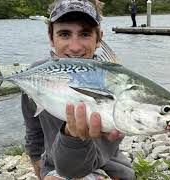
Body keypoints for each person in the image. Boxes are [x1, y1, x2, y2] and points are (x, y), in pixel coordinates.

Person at [22, 0, 135, 179]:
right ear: (51, 38)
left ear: (99, 38)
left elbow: (88, 164)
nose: (75, 47)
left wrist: (72, 138)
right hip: (55, 164)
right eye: (65, 34)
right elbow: (33, 129)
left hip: (105, 164)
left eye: (85, 34)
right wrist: (39, 168)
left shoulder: (114, 82)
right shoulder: (37, 74)